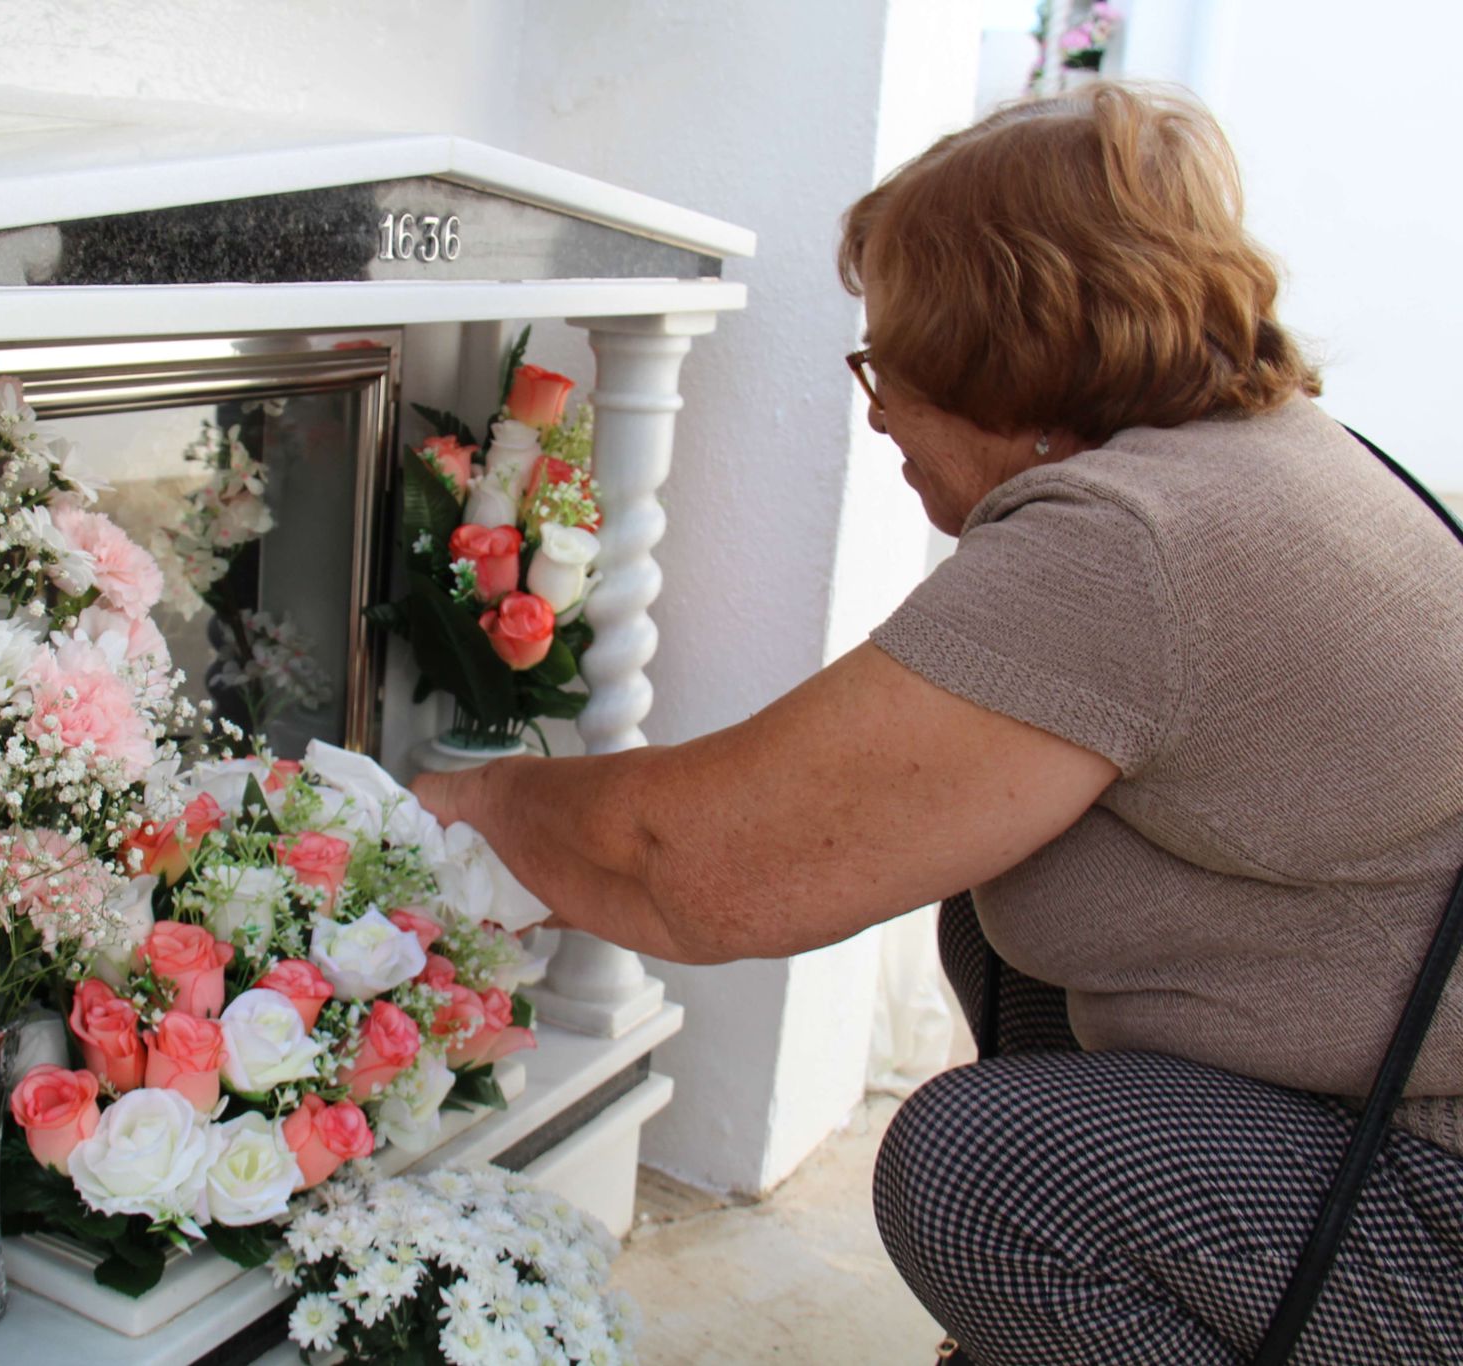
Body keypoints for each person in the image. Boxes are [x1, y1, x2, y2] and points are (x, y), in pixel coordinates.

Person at [412, 83, 1463, 1364]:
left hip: (1430, 1181)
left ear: (999, 349)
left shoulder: (1125, 544)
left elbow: (694, 866)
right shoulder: (1253, 455)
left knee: (982, 1176)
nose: (873, 407)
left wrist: (465, 803)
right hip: (1365, 1099)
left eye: (887, 357)